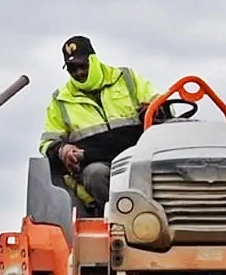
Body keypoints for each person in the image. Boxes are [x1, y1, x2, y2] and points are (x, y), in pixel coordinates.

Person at [38, 36, 158, 209]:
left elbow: (162, 107)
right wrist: (62, 149)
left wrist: (154, 110)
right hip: (95, 163)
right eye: (72, 68)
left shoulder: (127, 78)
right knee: (96, 174)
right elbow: (47, 143)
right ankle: (119, 218)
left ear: (93, 60)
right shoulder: (60, 100)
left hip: (138, 156)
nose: (79, 73)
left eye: (82, 66)